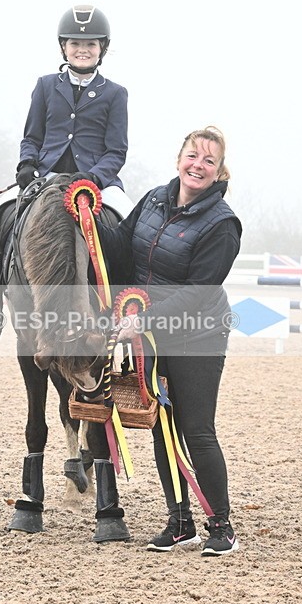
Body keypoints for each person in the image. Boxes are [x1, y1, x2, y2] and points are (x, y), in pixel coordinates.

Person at [96, 126, 242, 556]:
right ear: (179, 158)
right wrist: (88, 220)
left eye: (208, 161)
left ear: (218, 172)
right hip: (151, 332)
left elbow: (199, 290)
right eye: (192, 156)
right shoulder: (156, 198)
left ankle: (221, 527)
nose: (198, 165)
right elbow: (121, 246)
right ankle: (180, 522)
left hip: (198, 335)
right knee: (162, 428)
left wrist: (143, 321)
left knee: (196, 431)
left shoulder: (223, 224)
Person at [0, 4, 130, 340]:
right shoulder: (45, 86)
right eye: (75, 44)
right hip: (45, 177)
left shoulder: (115, 93)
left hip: (95, 182)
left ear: (102, 49)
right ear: (63, 48)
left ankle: (122, 309)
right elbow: (32, 137)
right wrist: (26, 164)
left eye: (90, 44)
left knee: (130, 227)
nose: (83, 49)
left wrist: (94, 178)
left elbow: (117, 150)